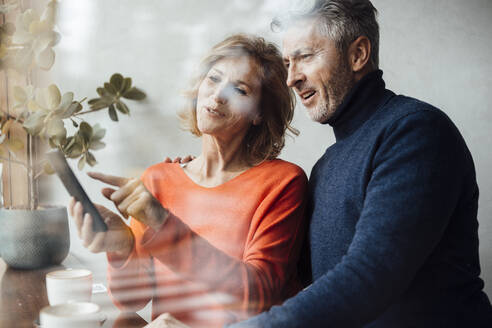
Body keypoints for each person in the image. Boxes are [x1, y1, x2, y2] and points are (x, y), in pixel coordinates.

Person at [226, 0, 492, 327]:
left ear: (358, 54)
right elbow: (280, 278)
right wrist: (193, 195)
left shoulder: (415, 132)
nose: (292, 78)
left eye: (305, 57)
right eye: (287, 62)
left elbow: (368, 278)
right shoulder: (325, 167)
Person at [68, 34, 308, 328]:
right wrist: (120, 247)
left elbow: (255, 296)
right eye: (213, 79)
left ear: (258, 113)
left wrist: (163, 223)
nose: (218, 95)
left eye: (239, 90)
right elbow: (131, 302)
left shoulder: (283, 182)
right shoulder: (158, 178)